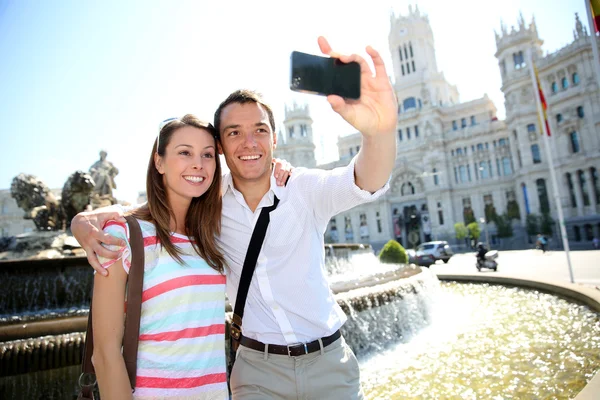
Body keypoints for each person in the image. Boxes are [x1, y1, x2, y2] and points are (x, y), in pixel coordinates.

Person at [73, 36, 397, 399]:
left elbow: (367, 179)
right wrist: (83, 220)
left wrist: (379, 131)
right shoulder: (208, 206)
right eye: (234, 133)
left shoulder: (302, 189)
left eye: (259, 130)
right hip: (257, 371)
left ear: (275, 138)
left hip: (329, 364)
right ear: (223, 148)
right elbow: (152, 207)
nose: (249, 142)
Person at [91, 115, 230, 399]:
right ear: (159, 162)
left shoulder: (209, 233)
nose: (198, 164)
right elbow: (104, 355)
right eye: (184, 153)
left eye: (207, 155)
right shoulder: (123, 233)